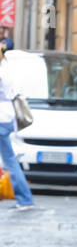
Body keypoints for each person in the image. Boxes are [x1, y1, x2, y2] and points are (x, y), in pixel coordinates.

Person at [0, 43, 35, 211]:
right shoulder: (6, 69)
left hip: (1, 118)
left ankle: (25, 199)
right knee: (10, 160)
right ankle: (25, 198)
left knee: (10, 161)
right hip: (6, 117)